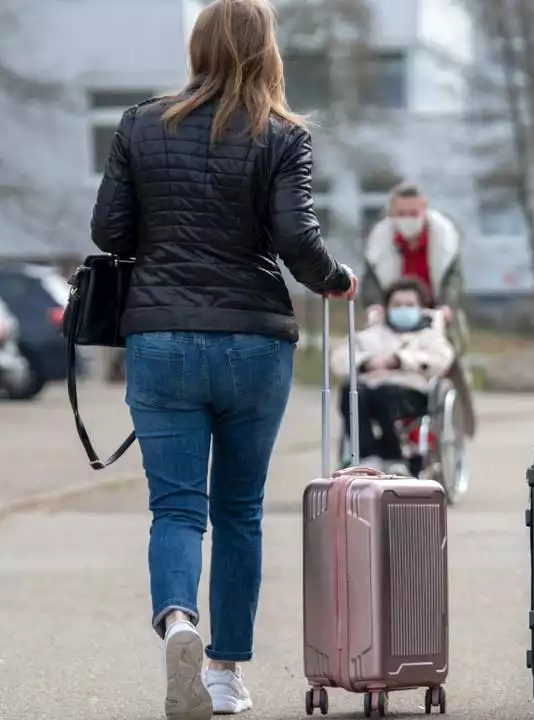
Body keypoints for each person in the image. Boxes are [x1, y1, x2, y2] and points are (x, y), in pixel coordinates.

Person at [88, 1, 357, 718]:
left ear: (197, 48)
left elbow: (109, 228)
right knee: (239, 511)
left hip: (161, 339)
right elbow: (296, 236)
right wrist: (335, 278)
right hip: (252, 339)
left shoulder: (141, 123)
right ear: (266, 50)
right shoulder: (283, 134)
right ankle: (224, 675)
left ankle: (178, 619)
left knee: (176, 508)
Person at [332, 277, 456, 475]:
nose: (402, 309)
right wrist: (366, 362)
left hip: (409, 391)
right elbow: (339, 357)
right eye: (397, 305)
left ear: (421, 308)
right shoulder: (372, 334)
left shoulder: (430, 336)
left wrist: (399, 360)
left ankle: (393, 457)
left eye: (409, 305)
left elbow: (442, 358)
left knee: (385, 394)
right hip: (368, 387)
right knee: (350, 391)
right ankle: (368, 457)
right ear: (387, 308)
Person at [364, 182, 470, 354]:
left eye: (413, 213)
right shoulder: (379, 243)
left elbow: (453, 279)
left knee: (449, 360)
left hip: (436, 314)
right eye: (401, 213)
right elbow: (371, 280)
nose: (407, 219)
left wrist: (447, 305)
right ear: (392, 213)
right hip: (395, 315)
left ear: (424, 211)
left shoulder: (445, 242)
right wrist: (375, 305)